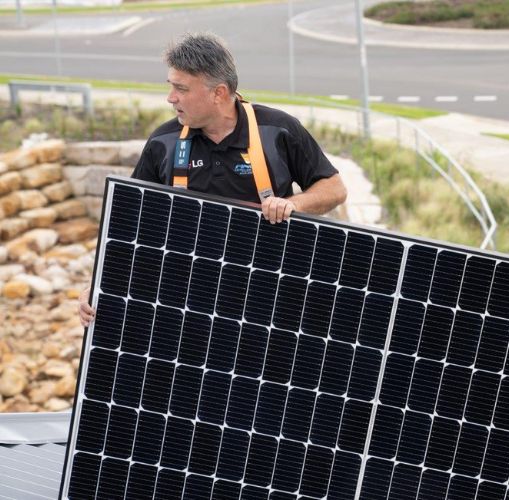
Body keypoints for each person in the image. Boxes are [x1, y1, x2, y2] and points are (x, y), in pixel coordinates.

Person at [78, 32, 347, 326]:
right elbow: (130, 225)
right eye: (171, 87)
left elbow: (334, 188)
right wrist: (99, 283)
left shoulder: (278, 130)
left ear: (218, 93)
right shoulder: (163, 142)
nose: (171, 98)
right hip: (187, 303)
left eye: (181, 89)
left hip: (267, 299)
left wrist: (293, 205)